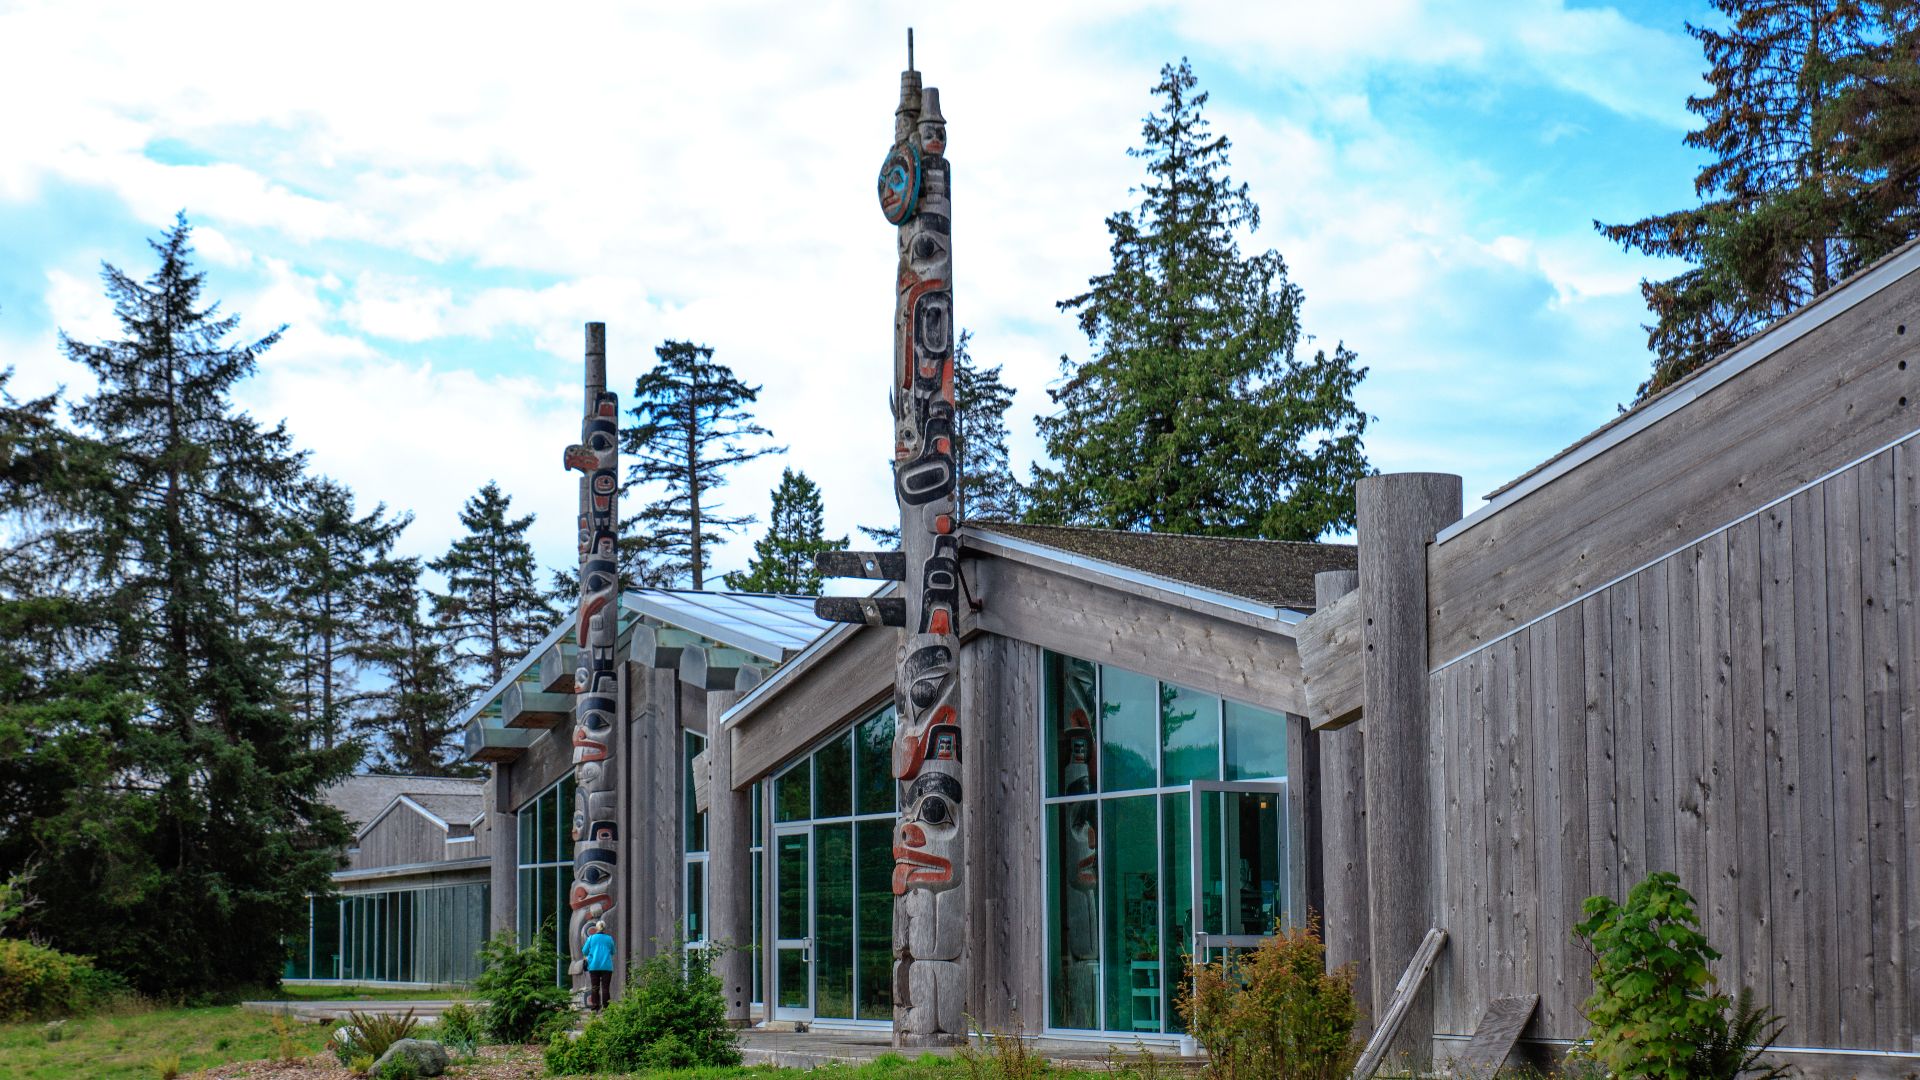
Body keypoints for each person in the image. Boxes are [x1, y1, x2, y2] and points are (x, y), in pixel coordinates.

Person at [583, 921, 615, 1010]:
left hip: (594, 966)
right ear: (604, 928)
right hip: (607, 966)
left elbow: (584, 951)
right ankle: (606, 1007)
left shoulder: (591, 938)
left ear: (596, 928)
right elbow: (613, 951)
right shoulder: (609, 939)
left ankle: (595, 1006)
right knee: (605, 988)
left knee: (595, 987)